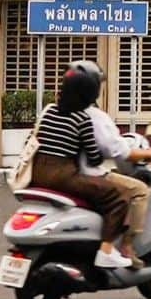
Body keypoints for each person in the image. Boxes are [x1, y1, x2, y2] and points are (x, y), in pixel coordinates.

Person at [29, 65, 132, 269]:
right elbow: (94, 159)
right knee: (119, 196)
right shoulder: (82, 119)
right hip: (63, 176)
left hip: (37, 173)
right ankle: (106, 251)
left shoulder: (48, 112)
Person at [70, 59, 151, 268]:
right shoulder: (93, 116)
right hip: (86, 175)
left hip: (60, 174)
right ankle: (126, 246)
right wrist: (149, 153)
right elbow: (118, 150)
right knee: (138, 190)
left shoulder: (55, 110)